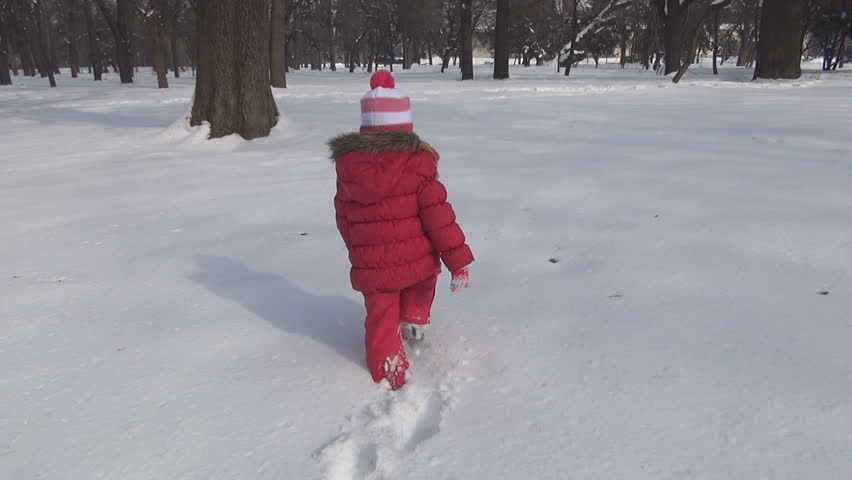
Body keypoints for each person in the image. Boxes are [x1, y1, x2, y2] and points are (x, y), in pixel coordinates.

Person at [328, 70, 474, 390]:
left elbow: (342, 213)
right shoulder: (419, 162)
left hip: (371, 265)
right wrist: (457, 261)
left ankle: (388, 368)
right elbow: (439, 217)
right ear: (405, 125)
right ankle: (413, 317)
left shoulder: (350, 167)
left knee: (380, 318)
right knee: (424, 278)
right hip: (416, 259)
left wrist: (357, 246)